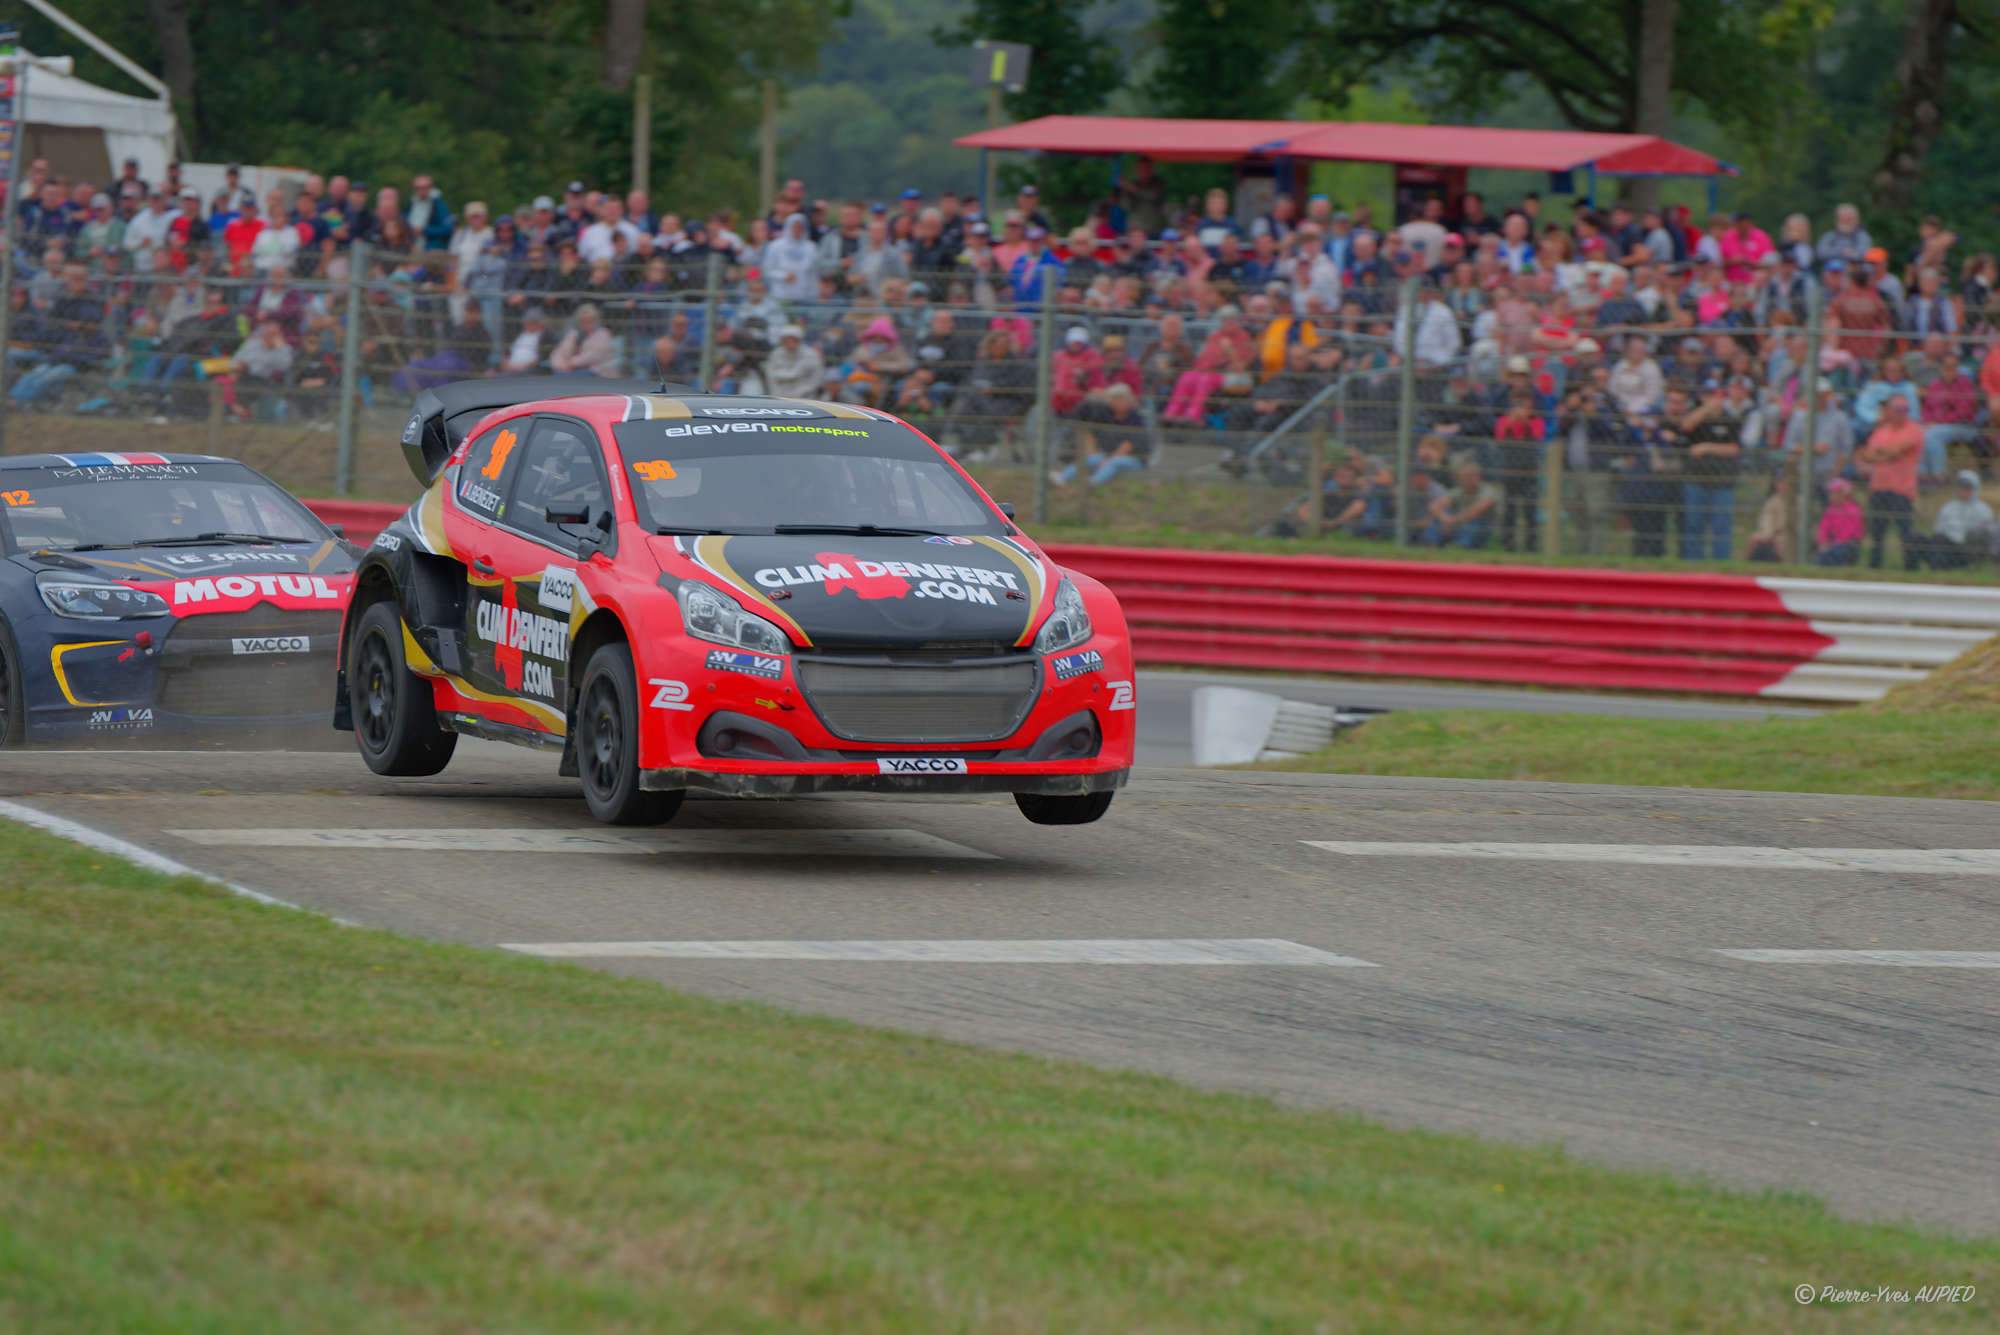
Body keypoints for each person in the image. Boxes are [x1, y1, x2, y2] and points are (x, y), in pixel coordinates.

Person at [1677, 379, 1744, 560]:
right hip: (1695, 480)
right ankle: (1693, 565)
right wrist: (1706, 409)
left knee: (1721, 527)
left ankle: (1721, 565)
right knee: (1693, 526)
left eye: (1716, 395)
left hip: (1722, 482)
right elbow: (1686, 426)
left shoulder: (1731, 419)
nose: (1713, 399)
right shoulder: (1696, 417)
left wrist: (1706, 447)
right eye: (1707, 395)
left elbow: (1734, 449)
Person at [1855, 393, 1923, 569]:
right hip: (1879, 488)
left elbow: (1897, 450)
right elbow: (1866, 455)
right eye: (1897, 409)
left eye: (1905, 409)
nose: (1901, 413)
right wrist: (1884, 454)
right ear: (1889, 411)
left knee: (1905, 534)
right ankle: (1874, 568)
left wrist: (1879, 453)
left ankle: (1910, 570)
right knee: (1877, 534)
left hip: (1903, 490)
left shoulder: (1913, 429)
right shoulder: (1881, 430)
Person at [1054, 382, 1149, 486]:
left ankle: (1093, 482)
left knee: (1115, 462)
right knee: (1090, 459)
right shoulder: (1104, 413)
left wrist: (1107, 460)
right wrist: (1092, 451)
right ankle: (1063, 477)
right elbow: (1089, 433)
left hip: (1133, 459)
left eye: (1124, 398)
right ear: (1111, 401)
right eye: (1117, 398)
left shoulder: (1135, 418)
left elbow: (1128, 444)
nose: (1122, 402)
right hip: (1108, 455)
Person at [1423, 459, 1501, 548]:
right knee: (1442, 513)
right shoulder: (1459, 491)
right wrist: (1445, 518)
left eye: (1468, 477)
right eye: (1462, 478)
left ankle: (1460, 547)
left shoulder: (1488, 490)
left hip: (1482, 529)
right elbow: (1433, 506)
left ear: (1478, 477)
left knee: (1476, 521)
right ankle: (1430, 546)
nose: (1464, 481)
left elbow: (1478, 510)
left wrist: (1455, 520)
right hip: (1458, 525)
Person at [1929, 470, 1996, 568]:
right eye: (1961, 487)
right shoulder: (1948, 507)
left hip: (1970, 549)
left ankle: (1970, 566)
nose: (1964, 490)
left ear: (1975, 489)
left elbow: (1989, 532)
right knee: (1938, 539)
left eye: (1967, 487)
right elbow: (1938, 530)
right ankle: (1938, 569)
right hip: (1951, 547)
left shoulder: (1983, 509)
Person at [549, 303, 619, 377]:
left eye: (590, 320)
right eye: (583, 320)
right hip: (571, 369)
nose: (587, 323)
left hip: (596, 370)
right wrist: (559, 364)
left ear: (596, 320)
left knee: (568, 377)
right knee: (558, 374)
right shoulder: (573, 333)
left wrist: (571, 363)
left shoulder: (603, 334)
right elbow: (559, 351)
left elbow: (594, 356)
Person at [1745, 469, 1794, 563]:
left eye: (1784, 482)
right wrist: (1768, 534)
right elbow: (1766, 521)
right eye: (1779, 482)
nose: (1781, 485)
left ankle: (1781, 565)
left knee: (1780, 541)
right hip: (1769, 532)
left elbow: (1786, 523)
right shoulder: (1772, 501)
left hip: (1782, 533)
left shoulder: (1791, 500)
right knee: (1752, 538)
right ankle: (1747, 564)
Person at [1814, 477, 1865, 565]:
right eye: (1830, 493)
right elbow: (1824, 528)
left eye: (1834, 493)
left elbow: (1848, 533)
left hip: (1848, 544)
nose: (1831, 496)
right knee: (1823, 554)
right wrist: (1823, 541)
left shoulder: (1853, 510)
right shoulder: (1831, 509)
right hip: (1833, 543)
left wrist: (1833, 544)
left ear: (1844, 494)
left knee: (1835, 552)